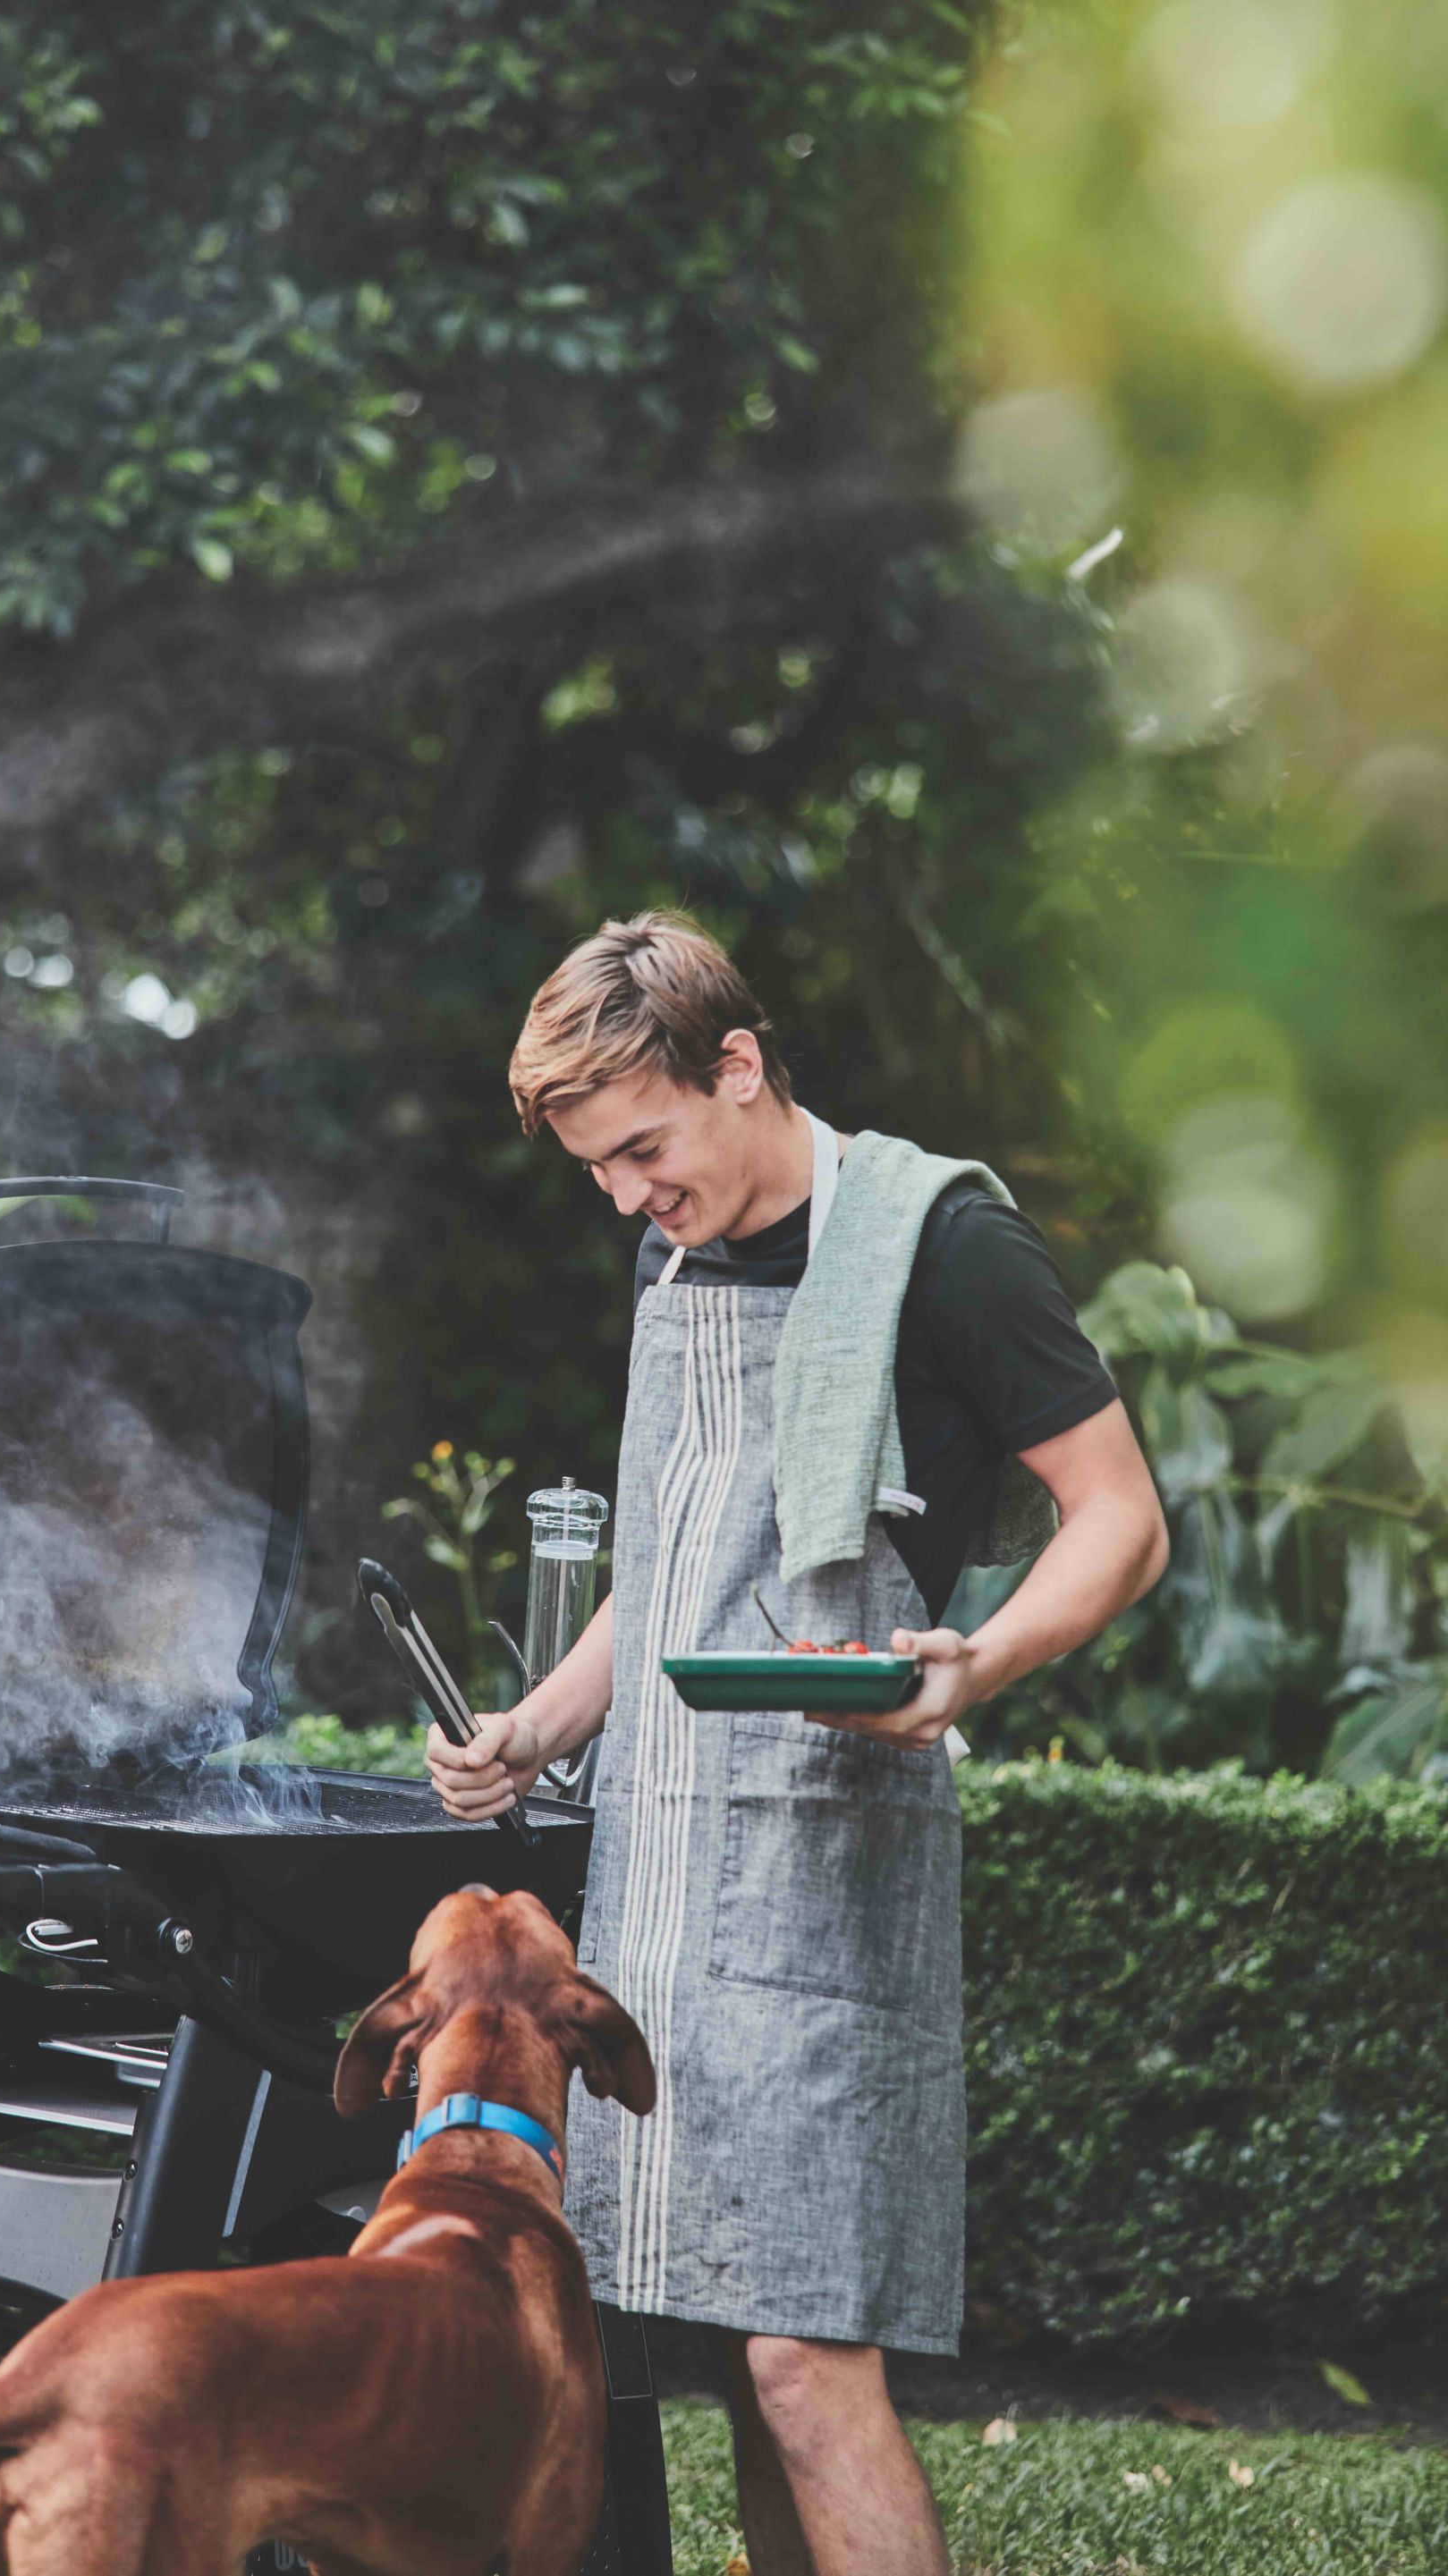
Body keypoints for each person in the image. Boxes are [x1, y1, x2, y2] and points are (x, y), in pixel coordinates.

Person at [428, 913, 1168, 2576]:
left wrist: (976, 1662)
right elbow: (671, 1565)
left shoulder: (942, 1240)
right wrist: (535, 1728)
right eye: (596, 1168)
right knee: (742, 2355)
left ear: (740, 1065)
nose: (627, 1193)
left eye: (643, 1147)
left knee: (801, 2346)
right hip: (665, 1867)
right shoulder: (670, 1252)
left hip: (830, 1859)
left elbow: (1122, 1518)